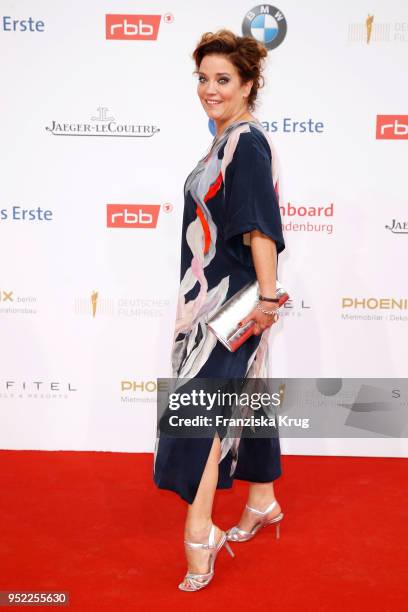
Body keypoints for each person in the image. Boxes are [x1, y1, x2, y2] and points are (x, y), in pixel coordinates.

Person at [153, 29, 286, 592]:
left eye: (223, 79)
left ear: (249, 85)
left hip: (230, 304)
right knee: (244, 397)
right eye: (203, 78)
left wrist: (267, 299)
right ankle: (262, 501)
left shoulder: (245, 143)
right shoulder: (223, 142)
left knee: (199, 414)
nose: (210, 88)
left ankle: (199, 531)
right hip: (216, 296)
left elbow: (259, 228)